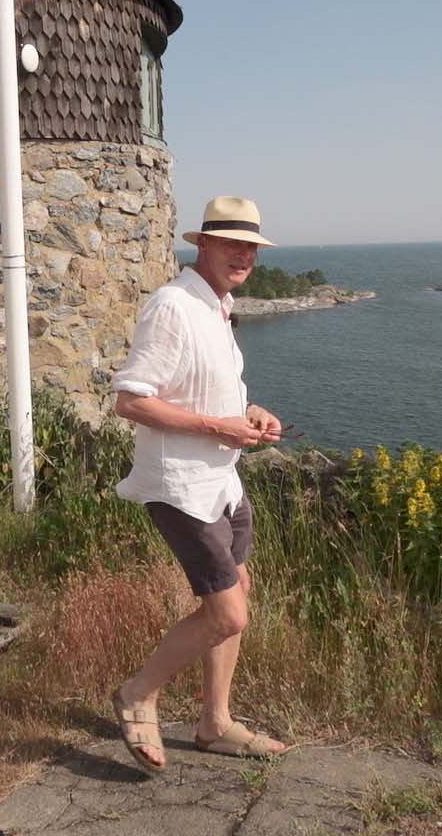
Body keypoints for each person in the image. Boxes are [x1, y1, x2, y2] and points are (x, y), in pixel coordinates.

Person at [108, 195, 291, 773]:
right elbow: (131, 401)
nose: (244, 255)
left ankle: (215, 723)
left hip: (221, 481)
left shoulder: (217, 306)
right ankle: (137, 694)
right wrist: (218, 426)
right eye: (232, 244)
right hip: (181, 484)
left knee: (240, 586)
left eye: (251, 247)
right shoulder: (173, 306)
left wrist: (249, 414)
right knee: (228, 614)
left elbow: (206, 388)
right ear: (202, 244)